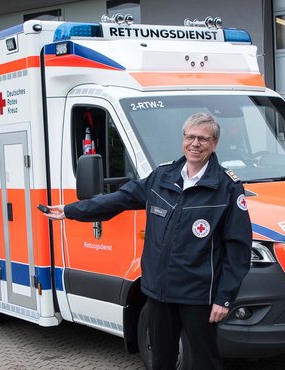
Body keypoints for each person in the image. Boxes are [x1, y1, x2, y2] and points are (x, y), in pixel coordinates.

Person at [43, 112, 252, 370]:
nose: (195, 144)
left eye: (203, 139)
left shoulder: (227, 187)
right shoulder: (161, 177)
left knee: (204, 361)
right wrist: (71, 211)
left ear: (214, 144)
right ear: (183, 140)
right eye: (190, 137)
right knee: (161, 360)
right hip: (159, 292)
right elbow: (118, 199)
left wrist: (224, 298)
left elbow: (238, 248)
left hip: (199, 295)